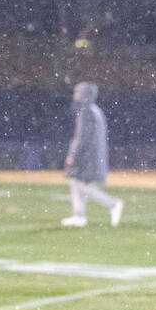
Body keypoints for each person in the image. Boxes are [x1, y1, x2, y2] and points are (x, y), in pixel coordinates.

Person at [61, 81, 123, 227]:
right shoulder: (95, 110)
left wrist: (73, 154)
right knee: (77, 183)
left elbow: (82, 137)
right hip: (93, 156)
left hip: (88, 157)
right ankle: (79, 216)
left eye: (78, 92)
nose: (75, 95)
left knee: (81, 185)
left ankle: (112, 204)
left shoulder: (86, 111)